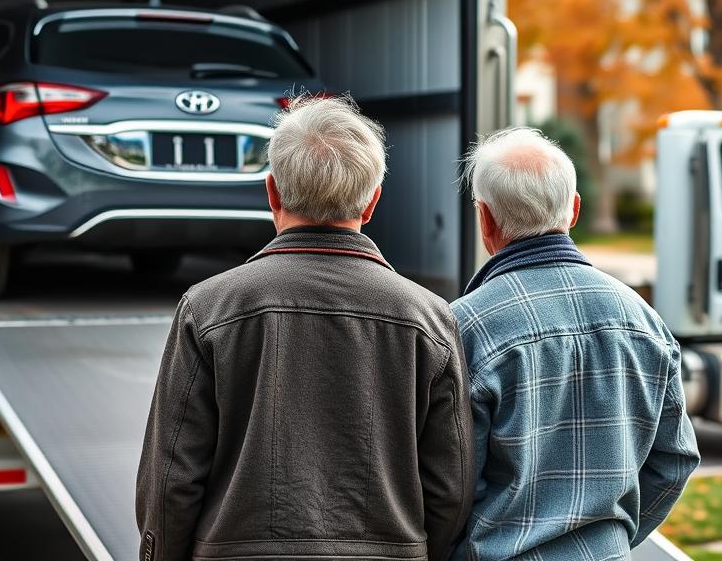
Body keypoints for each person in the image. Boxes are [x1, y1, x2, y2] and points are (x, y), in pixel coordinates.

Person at [136, 94, 473, 561]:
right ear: (373, 201)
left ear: (271, 192)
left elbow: (172, 477)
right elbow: (449, 485)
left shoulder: (207, 309)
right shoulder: (430, 319)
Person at [451, 128, 700, 561]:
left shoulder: (465, 328)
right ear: (575, 210)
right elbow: (675, 459)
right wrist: (612, 537)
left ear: (485, 218)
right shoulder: (644, 320)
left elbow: (449, 485)